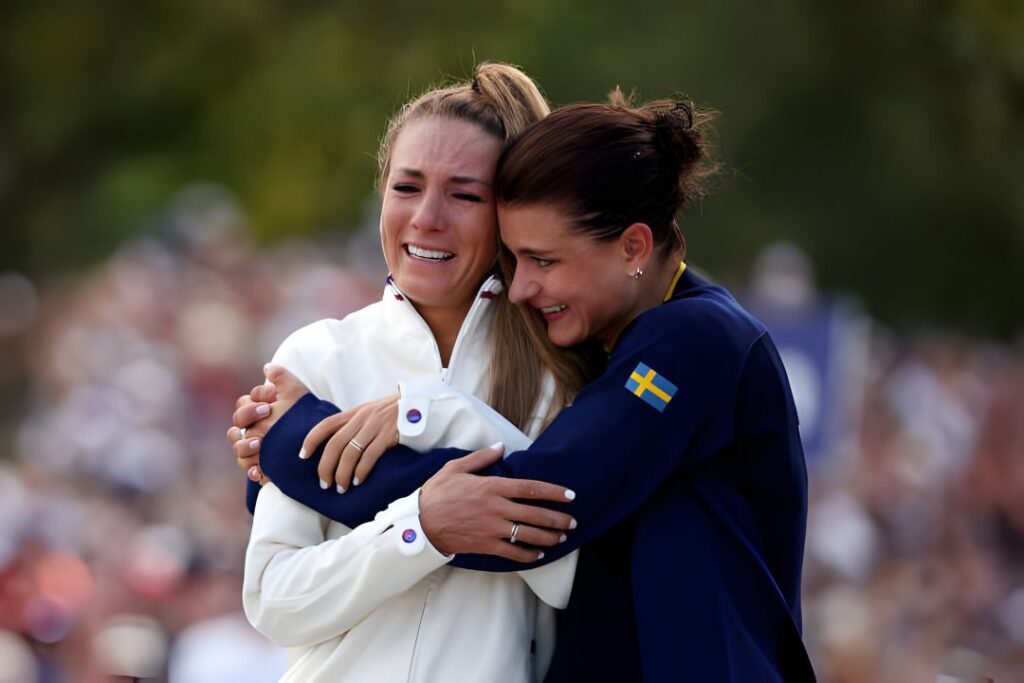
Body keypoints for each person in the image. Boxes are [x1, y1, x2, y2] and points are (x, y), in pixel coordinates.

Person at [248, 91, 817, 681]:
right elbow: (273, 592)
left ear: (633, 248)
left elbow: (549, 505)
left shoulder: (691, 340)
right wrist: (334, 477)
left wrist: (303, 444)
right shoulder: (317, 356)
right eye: (516, 259)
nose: (522, 286)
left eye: (543, 261)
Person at [234, 62, 590, 682]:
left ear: (510, 213)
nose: (427, 217)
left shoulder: (566, 368)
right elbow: (275, 599)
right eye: (407, 187)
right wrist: (420, 527)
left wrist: (431, 413)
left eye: (464, 194)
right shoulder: (320, 356)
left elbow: (567, 572)